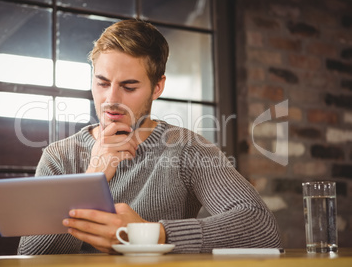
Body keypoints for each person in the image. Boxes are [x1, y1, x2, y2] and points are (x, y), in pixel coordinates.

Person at [17, 19, 282, 255]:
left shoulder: (188, 149)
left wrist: (150, 235)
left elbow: (262, 227)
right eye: (102, 83)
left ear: (157, 87)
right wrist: (92, 177)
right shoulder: (59, 156)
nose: (111, 100)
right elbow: (31, 255)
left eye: (129, 86)